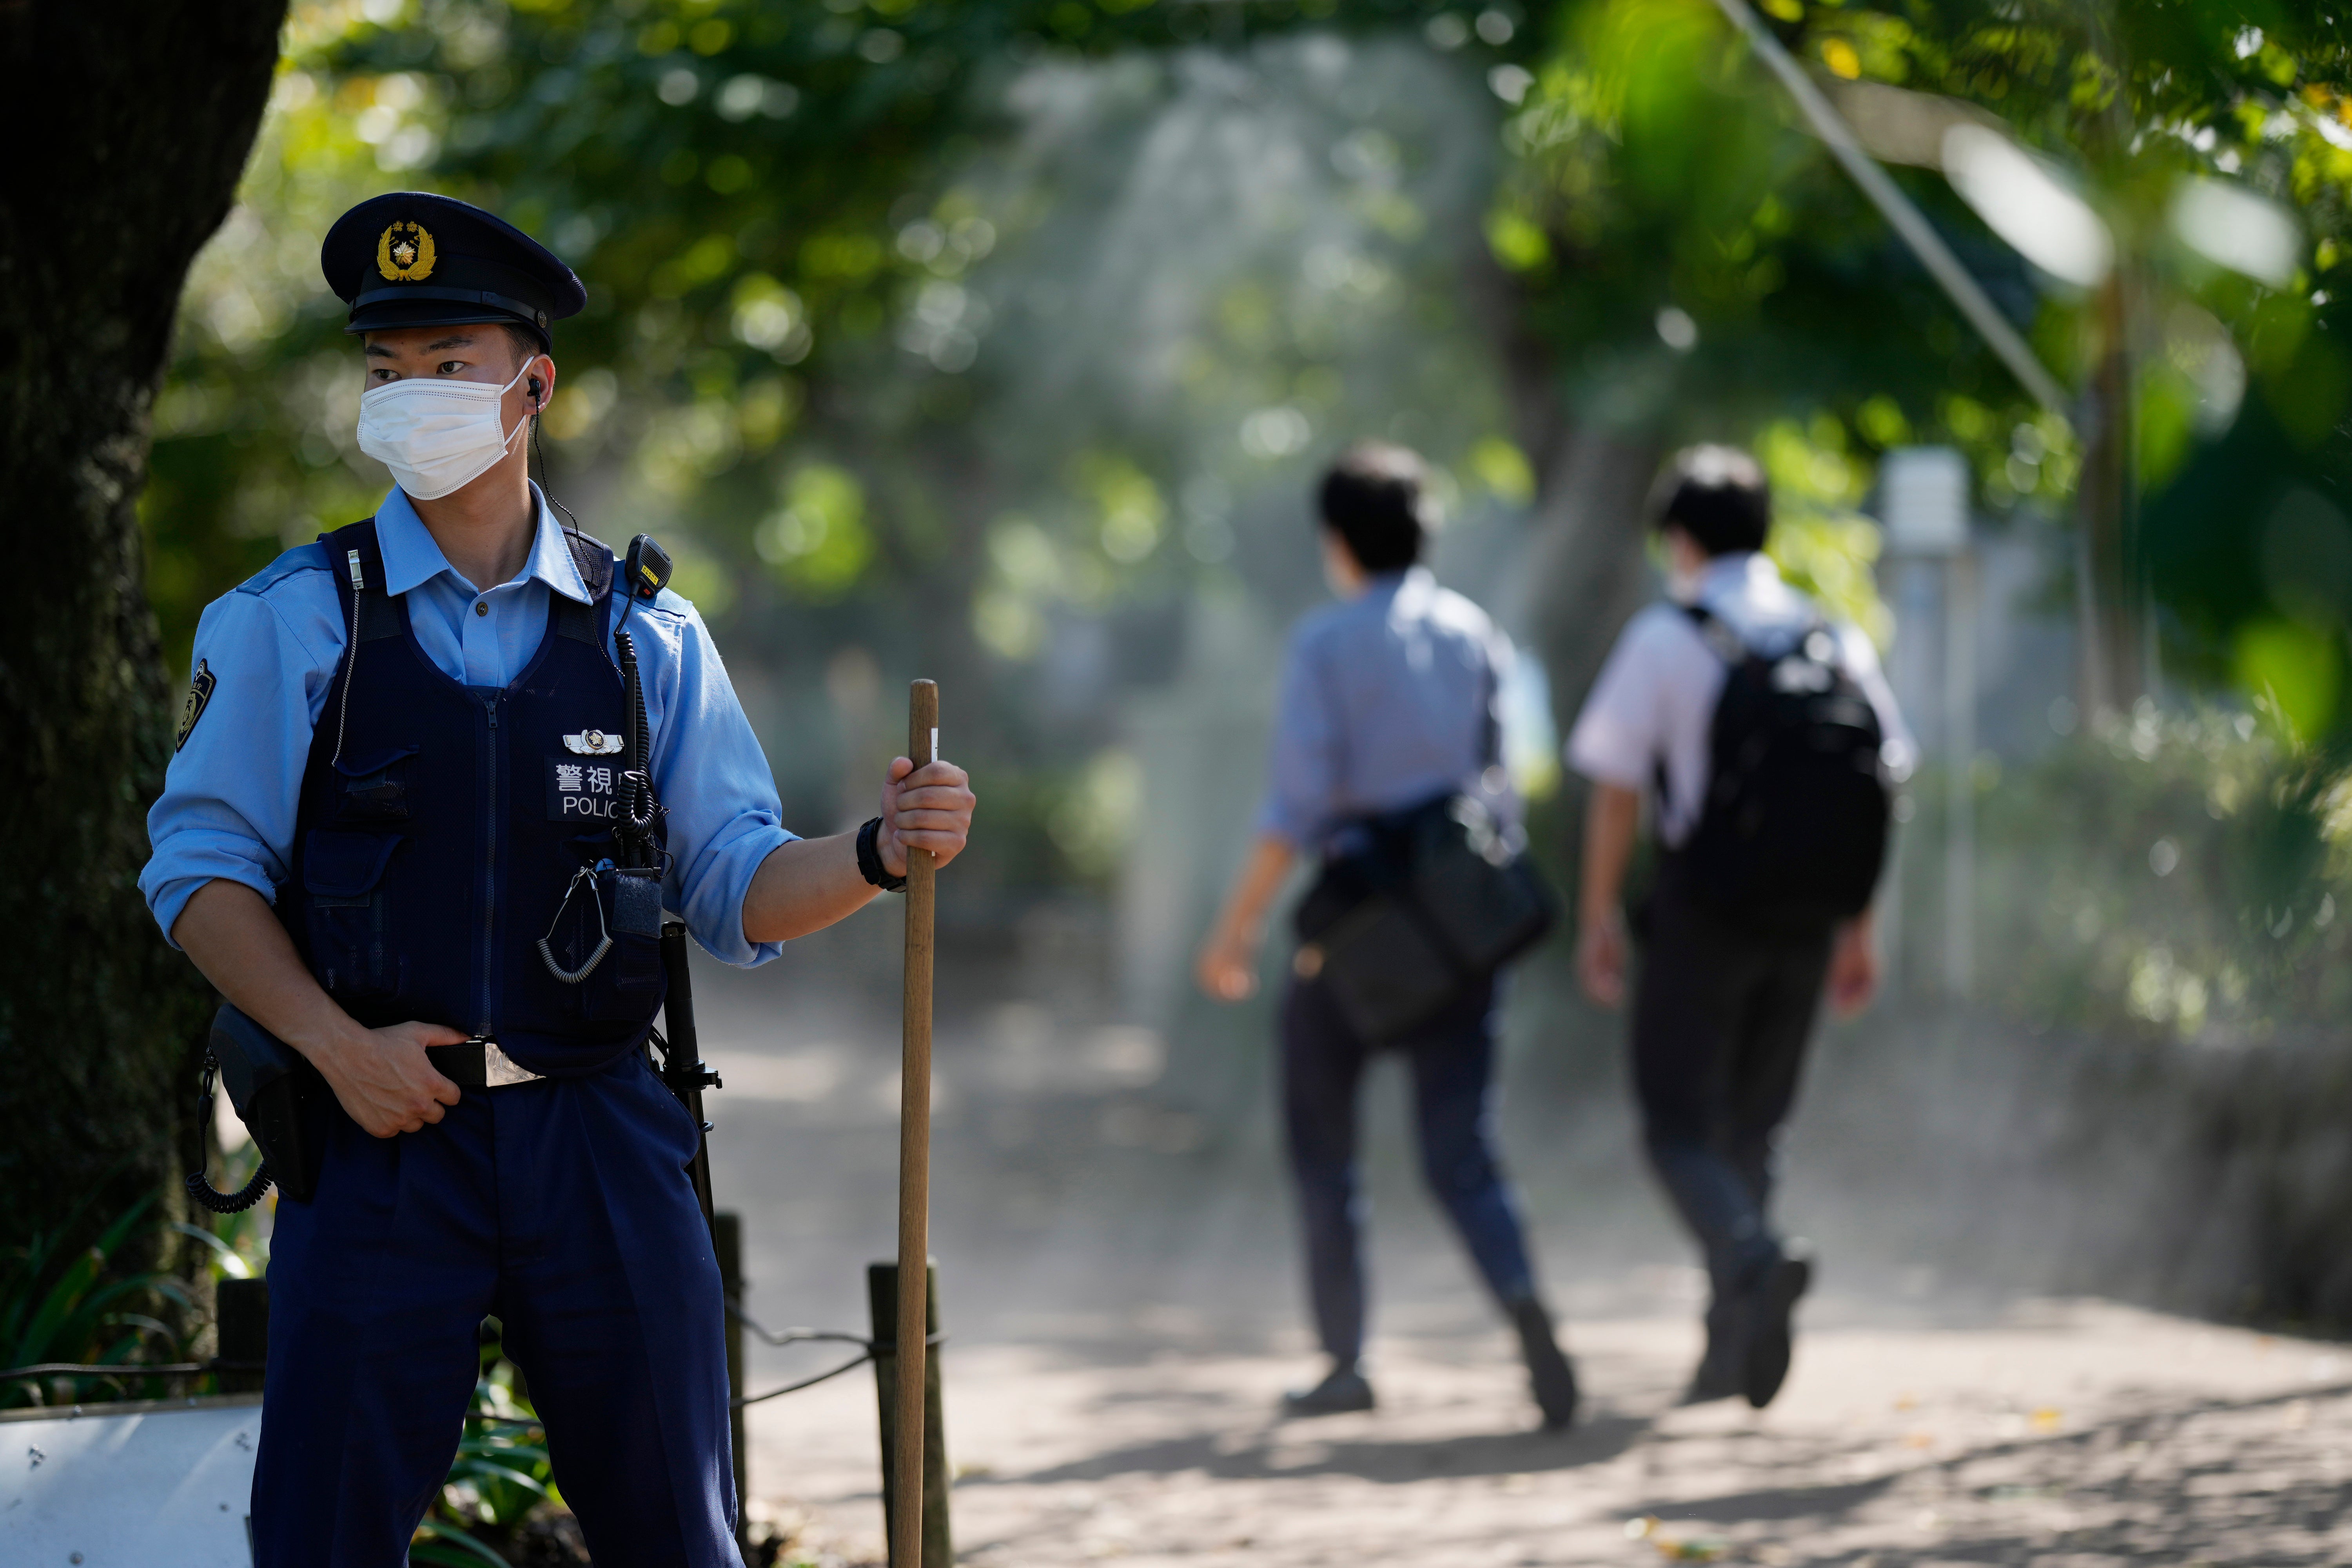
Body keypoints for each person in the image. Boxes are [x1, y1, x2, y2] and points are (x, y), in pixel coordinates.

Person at [142, 192, 977, 1566]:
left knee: (676, 1536)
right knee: (323, 1540)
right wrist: (335, 1050)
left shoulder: (647, 632)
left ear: (533, 386)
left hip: (601, 1140)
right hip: (376, 1143)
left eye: (447, 363)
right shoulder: (290, 619)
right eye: (382, 371)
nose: (409, 396)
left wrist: (883, 852)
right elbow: (200, 877)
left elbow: (739, 882)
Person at [1196, 442, 1578, 1429]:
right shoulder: (1475, 633)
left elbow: (1295, 809)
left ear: (1337, 542)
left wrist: (1234, 933)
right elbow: (1502, 792)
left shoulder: (1326, 644)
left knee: (1326, 1148)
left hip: (1359, 933)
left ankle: (1346, 1359)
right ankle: (1526, 1303)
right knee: (1464, 1152)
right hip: (1459, 927)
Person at [1565, 444, 1911, 1410]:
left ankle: (1751, 1259)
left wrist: (1599, 916)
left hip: (1705, 912)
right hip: (1808, 918)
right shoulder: (1833, 638)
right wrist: (1859, 927)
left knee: (1677, 1128)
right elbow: (1882, 781)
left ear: (1679, 538)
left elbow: (1618, 788)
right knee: (1753, 1130)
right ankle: (1728, 1349)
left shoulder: (1667, 637)